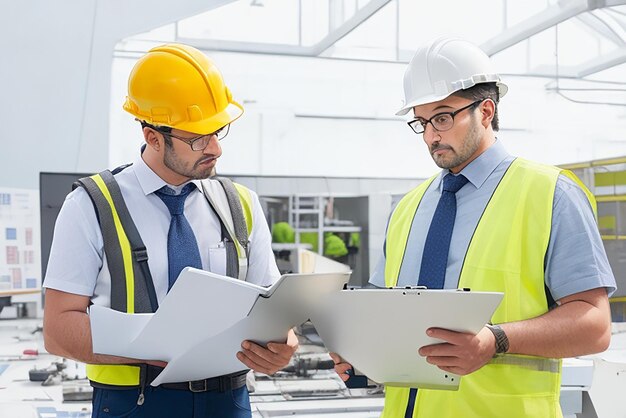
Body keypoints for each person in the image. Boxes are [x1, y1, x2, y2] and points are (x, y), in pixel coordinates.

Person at [331, 37, 616, 418]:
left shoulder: (551, 194)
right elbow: (390, 321)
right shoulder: (408, 208)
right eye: (421, 121)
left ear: (485, 111)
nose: (431, 135)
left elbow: (594, 326)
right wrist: (360, 353)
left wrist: (495, 340)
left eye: (443, 117)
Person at [43, 43, 298, 418]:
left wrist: (284, 344)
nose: (215, 149)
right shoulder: (90, 206)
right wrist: (158, 346)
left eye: (218, 131)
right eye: (197, 138)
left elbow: (273, 309)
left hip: (228, 401)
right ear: (152, 137)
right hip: (134, 403)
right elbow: (58, 330)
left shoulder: (241, 204)